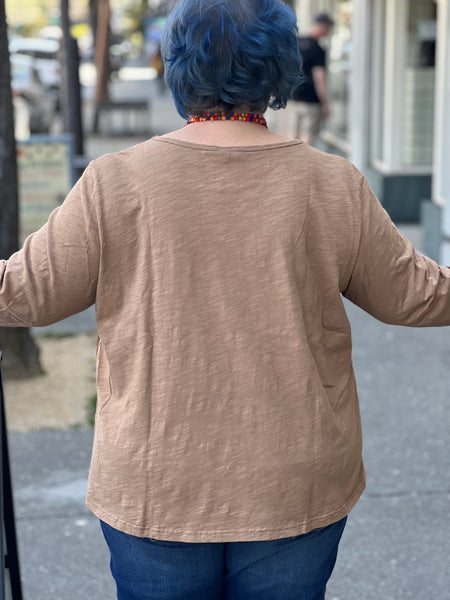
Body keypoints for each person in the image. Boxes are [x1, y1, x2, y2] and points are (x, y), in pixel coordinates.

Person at [1, 0, 450, 598]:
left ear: (176, 63)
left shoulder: (115, 181)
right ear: (279, 67)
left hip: (157, 480)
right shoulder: (330, 182)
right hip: (294, 478)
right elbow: (415, 296)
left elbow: (24, 293)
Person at [286, 12, 334, 144]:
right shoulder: (317, 49)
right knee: (308, 135)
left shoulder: (297, 42)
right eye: (328, 28)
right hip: (311, 98)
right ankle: (304, 158)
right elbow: (319, 77)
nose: (328, 32)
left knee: (293, 133)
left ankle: (290, 157)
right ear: (323, 26)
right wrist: (325, 103)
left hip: (294, 95)